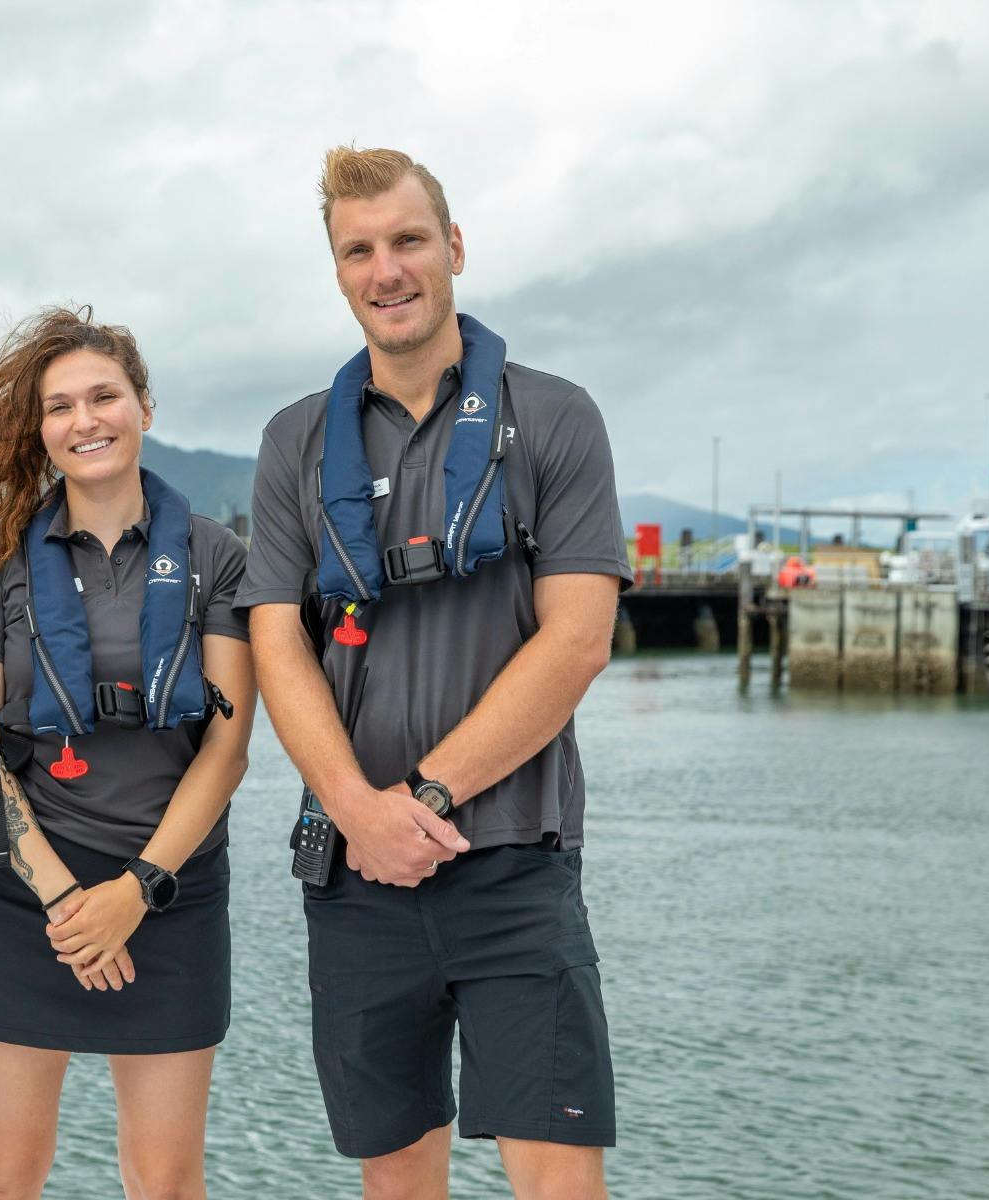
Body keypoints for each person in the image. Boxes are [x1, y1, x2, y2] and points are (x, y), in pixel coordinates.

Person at [236, 146, 632, 1200]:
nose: (386, 269)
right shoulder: (292, 441)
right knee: (395, 1180)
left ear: (452, 247)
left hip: (513, 860)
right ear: (337, 271)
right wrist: (359, 813)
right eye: (357, 250)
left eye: (407, 240)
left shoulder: (554, 417)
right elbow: (278, 642)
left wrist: (424, 797)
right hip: (358, 874)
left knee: (557, 1180)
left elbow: (578, 639)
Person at [0, 305, 256, 1200]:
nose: (86, 420)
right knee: (5, 1173)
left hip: (172, 890)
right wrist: (72, 902)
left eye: (104, 395)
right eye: (61, 405)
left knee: (164, 1178)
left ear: (144, 404)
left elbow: (226, 750)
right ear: (40, 430)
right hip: (22, 894)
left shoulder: (217, 557)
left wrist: (137, 890)